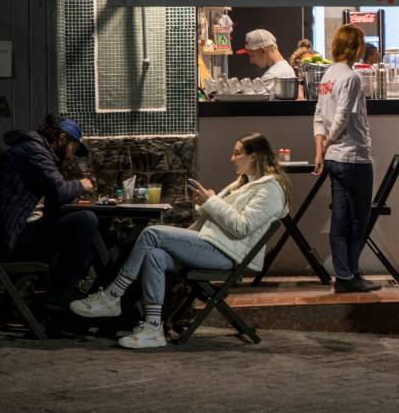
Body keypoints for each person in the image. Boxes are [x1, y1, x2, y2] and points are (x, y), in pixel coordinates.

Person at [70, 133, 289, 348]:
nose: (232, 158)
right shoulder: (243, 183)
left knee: (151, 233)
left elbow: (242, 227)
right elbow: (220, 213)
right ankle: (152, 329)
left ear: (254, 156)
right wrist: (207, 201)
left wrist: (212, 201)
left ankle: (112, 296)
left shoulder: (270, 189)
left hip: (227, 253)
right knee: (155, 256)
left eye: (237, 153)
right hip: (214, 244)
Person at [0, 114, 97, 310]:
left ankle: (69, 289)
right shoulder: (34, 151)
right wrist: (82, 184)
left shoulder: (36, 150)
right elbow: (60, 191)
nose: (71, 156)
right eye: (74, 148)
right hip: (14, 239)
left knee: (85, 223)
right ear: (62, 138)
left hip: (20, 230)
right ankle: (61, 294)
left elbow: (53, 194)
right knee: (85, 220)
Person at [313, 25, 380, 294]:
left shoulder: (328, 75)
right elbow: (341, 116)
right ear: (356, 47)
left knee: (339, 221)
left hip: (333, 159)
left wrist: (320, 150)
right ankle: (351, 275)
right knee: (358, 221)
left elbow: (319, 116)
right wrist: (329, 141)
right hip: (354, 157)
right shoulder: (351, 78)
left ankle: (343, 277)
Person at [240, 29, 296, 96]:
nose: (251, 61)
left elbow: (252, 102)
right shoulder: (287, 68)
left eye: (252, 55)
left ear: (262, 50)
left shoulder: (273, 75)